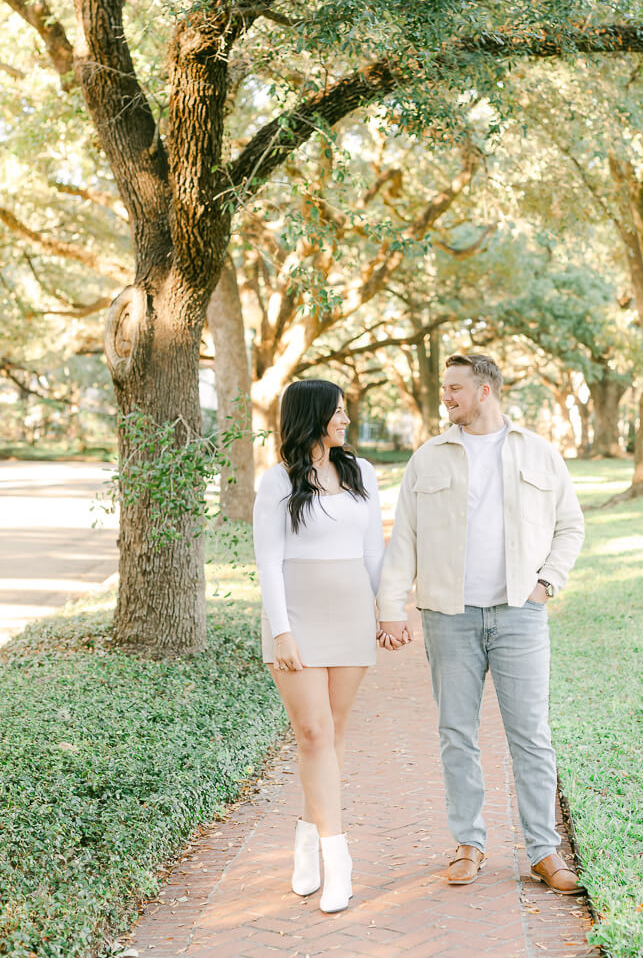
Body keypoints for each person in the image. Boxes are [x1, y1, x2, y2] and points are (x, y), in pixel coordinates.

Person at [377, 353, 585, 892]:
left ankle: (544, 851)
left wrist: (546, 584)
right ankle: (469, 843)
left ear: (486, 390)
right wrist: (390, 606)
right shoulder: (427, 458)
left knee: (532, 737)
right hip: (450, 618)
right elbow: (406, 540)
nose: (445, 397)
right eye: (445, 388)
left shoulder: (539, 454)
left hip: (520, 614)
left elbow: (570, 527)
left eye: (454, 389)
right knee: (456, 735)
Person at [253, 379, 384, 914]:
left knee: (334, 732)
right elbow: (268, 562)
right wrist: (281, 629)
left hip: (350, 611)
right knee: (312, 732)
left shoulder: (361, 473)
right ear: (313, 415)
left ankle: (308, 836)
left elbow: (374, 549)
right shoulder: (277, 483)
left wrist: (386, 609)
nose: (346, 418)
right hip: (297, 619)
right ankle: (338, 858)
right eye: (337, 411)